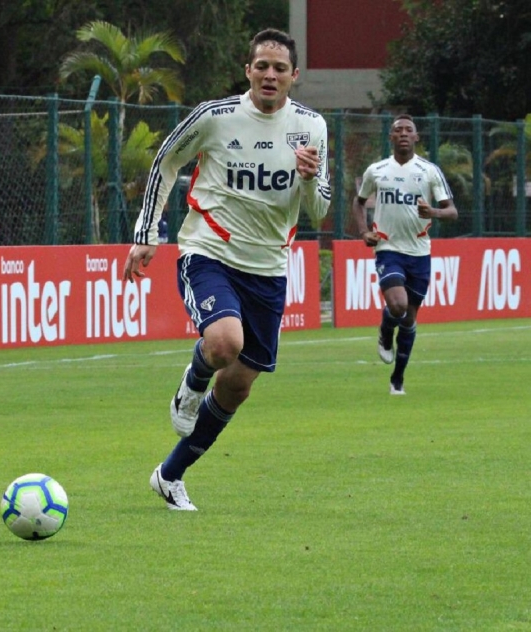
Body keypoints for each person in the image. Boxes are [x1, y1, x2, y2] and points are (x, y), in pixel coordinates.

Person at [122, 28, 331, 511]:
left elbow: (318, 211)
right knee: (223, 343)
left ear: (294, 76)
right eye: (262, 66)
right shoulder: (215, 118)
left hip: (269, 267)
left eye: (280, 68)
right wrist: (146, 234)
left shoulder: (312, 127)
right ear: (248, 71)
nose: (270, 75)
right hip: (209, 251)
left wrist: (307, 178)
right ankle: (192, 383)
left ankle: (170, 475)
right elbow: (165, 161)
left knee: (237, 386)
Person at [352, 114, 457, 395]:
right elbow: (359, 202)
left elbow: (451, 210)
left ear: (416, 137)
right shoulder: (377, 170)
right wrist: (364, 232)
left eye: (408, 130)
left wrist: (432, 211)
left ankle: (398, 377)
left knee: (409, 318)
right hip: (388, 248)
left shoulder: (429, 170)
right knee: (397, 306)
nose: (403, 134)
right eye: (397, 130)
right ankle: (386, 332)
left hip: (419, 252)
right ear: (390, 137)